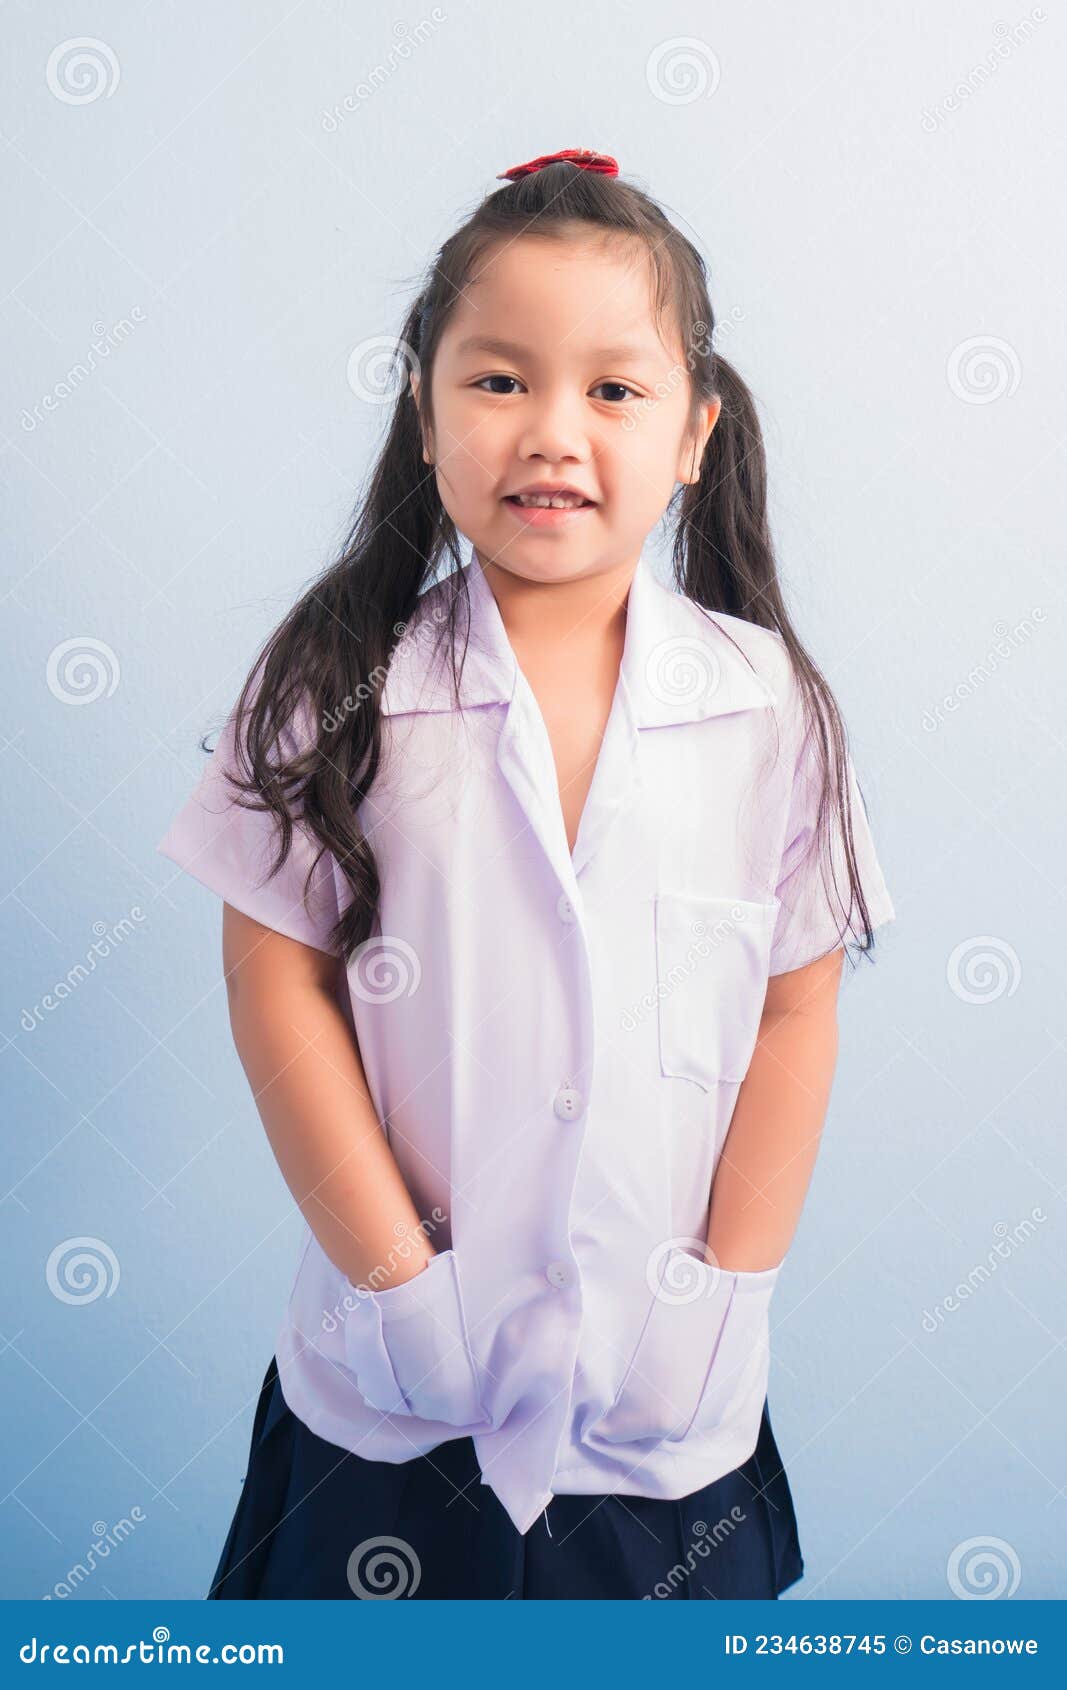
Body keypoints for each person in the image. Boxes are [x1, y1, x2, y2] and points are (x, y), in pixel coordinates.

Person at [157, 147, 896, 1600]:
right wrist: (395, 1283)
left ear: (696, 428)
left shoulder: (770, 709)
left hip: (662, 1426)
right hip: (389, 1412)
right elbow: (276, 974)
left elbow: (796, 1014)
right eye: (498, 380)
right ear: (423, 411)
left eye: (614, 389)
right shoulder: (336, 684)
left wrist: (715, 1298)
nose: (553, 429)